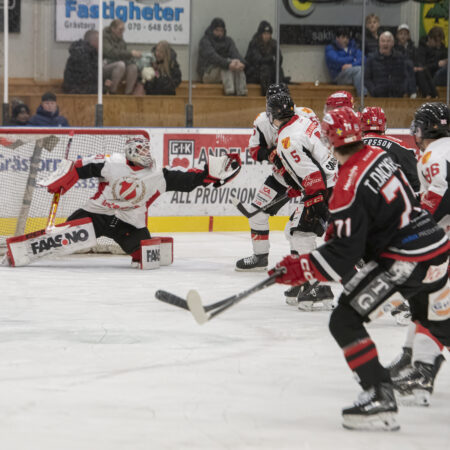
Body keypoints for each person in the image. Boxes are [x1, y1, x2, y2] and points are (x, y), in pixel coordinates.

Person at [269, 106, 449, 430]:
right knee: (435, 321)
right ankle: (419, 379)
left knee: (344, 320)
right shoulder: (380, 157)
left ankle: (379, 395)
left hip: (408, 257)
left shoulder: (347, 185)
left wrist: (301, 268)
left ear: (329, 140)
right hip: (436, 246)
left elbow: (344, 254)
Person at [39, 137, 241, 266]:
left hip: (129, 223)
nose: (146, 154)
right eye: (142, 151)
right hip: (96, 215)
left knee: (146, 257)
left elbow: (189, 179)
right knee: (59, 240)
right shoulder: (111, 163)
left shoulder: (158, 175)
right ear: (131, 153)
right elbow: (78, 167)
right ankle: (35, 246)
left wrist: (210, 175)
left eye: (147, 150)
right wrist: (63, 180)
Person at [235, 88, 336, 309]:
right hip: (326, 180)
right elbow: (311, 160)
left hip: (322, 186)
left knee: (300, 233)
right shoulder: (302, 120)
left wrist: (314, 200)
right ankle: (308, 282)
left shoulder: (287, 140)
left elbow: (312, 175)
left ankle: (318, 285)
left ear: (273, 114)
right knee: (295, 230)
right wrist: (298, 186)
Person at [388, 103, 450, 406]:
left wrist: (416, 228)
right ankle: (412, 358)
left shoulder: (431, 155)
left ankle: (423, 370)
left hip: (444, 243)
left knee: (435, 305)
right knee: (429, 302)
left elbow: (441, 193)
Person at [361, 106, 420, 194]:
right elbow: (416, 179)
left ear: (361, 124)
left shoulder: (352, 147)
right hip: (393, 200)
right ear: (384, 124)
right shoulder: (401, 146)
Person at [197, 17, 247, 96]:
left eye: (221, 31)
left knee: (238, 67)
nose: (219, 33)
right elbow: (213, 57)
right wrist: (228, 63)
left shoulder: (228, 41)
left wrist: (241, 63)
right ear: (212, 30)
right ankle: (230, 93)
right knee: (226, 66)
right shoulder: (205, 41)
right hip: (207, 73)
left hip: (225, 71)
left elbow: (235, 53)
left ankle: (242, 92)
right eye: (217, 30)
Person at [245, 21, 288, 96]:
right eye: (264, 33)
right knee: (265, 69)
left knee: (278, 69)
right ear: (260, 34)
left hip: (269, 72)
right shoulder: (254, 43)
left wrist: (274, 58)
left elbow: (279, 60)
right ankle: (267, 95)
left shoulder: (273, 43)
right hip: (254, 72)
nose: (267, 36)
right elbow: (258, 60)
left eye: (268, 34)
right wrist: (271, 58)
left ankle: (281, 94)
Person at [62, 30, 112, 94]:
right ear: (94, 42)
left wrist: (103, 83)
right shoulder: (82, 57)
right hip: (77, 93)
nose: (102, 45)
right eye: (101, 42)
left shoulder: (90, 54)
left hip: (78, 91)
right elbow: (86, 82)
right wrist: (103, 87)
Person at [365, 31, 410, 98]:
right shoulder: (371, 58)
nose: (385, 43)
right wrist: (374, 91)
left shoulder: (400, 57)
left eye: (388, 41)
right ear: (379, 43)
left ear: (392, 43)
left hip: (397, 96)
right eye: (383, 41)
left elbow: (406, 76)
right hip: (378, 97)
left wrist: (402, 90)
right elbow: (366, 78)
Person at [103, 19, 142, 95]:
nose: (122, 32)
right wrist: (130, 53)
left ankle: (128, 93)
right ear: (113, 29)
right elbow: (111, 53)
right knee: (120, 65)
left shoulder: (121, 40)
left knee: (133, 67)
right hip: (104, 66)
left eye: (123, 30)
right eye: (120, 29)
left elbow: (124, 55)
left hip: (118, 65)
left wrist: (134, 58)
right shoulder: (104, 38)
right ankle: (112, 91)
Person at [325, 28, 365, 97]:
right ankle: (363, 96)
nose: (345, 40)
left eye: (347, 38)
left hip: (352, 74)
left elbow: (363, 59)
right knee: (359, 69)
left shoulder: (353, 47)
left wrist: (352, 65)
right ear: (337, 38)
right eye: (343, 37)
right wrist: (353, 58)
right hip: (338, 76)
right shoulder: (331, 48)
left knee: (360, 71)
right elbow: (336, 61)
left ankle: (363, 96)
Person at [416, 26, 448, 94]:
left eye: (440, 41)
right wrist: (437, 64)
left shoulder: (442, 48)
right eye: (436, 41)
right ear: (429, 38)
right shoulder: (421, 50)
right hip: (429, 78)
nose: (438, 44)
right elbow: (422, 68)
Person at [394, 24, 417, 98]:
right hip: (398, 67)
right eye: (401, 34)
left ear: (408, 36)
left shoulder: (413, 47)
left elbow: (416, 59)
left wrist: (415, 66)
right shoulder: (394, 47)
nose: (403, 36)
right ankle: (411, 91)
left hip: (411, 68)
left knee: (410, 65)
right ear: (397, 35)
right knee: (407, 64)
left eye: (405, 34)